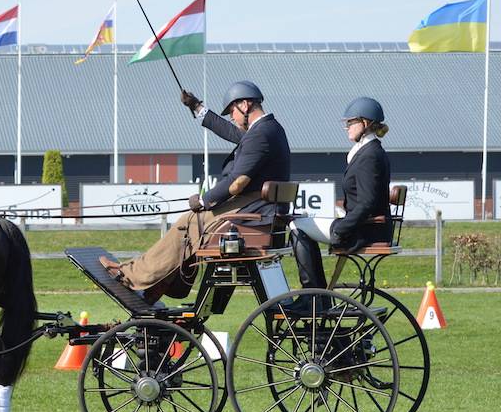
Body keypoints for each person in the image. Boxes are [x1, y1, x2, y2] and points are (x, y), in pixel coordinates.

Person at [100, 80, 292, 301]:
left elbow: (236, 183)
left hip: (253, 209)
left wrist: (203, 200)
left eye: (232, 110)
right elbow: (231, 132)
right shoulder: (270, 129)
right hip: (263, 208)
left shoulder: (260, 134)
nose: (232, 117)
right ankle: (162, 284)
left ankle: (131, 276)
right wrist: (197, 107)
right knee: (193, 225)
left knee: (188, 223)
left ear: (245, 105)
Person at [291, 97, 392, 289]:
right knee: (303, 222)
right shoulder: (369, 151)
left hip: (365, 231)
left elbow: (367, 202)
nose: (347, 127)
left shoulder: (369, 156)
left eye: (351, 122)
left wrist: (342, 228)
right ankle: (318, 293)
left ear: (365, 123)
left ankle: (312, 294)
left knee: (296, 225)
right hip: (369, 227)